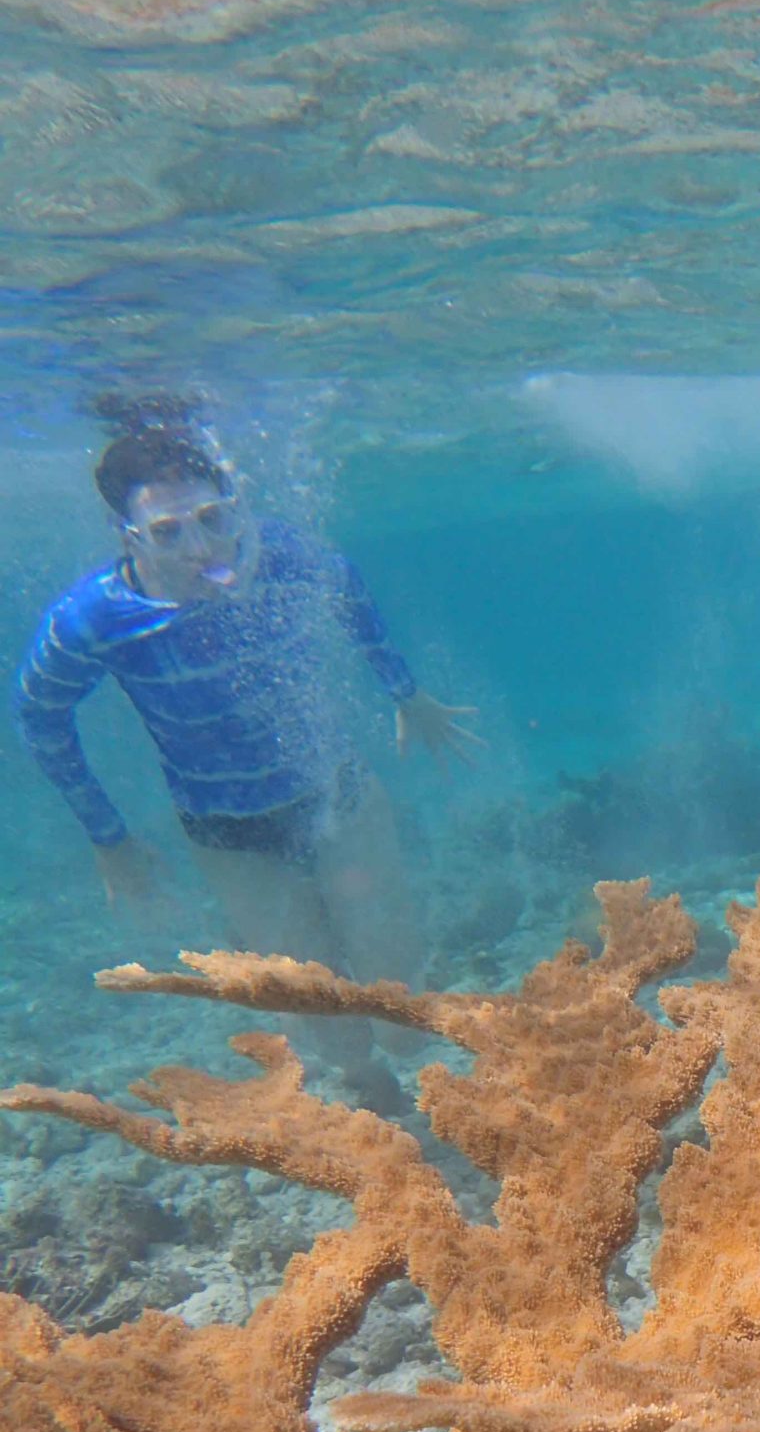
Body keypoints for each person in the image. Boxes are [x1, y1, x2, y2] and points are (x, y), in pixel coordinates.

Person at [12, 401, 479, 1107]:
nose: (203, 550)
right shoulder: (93, 619)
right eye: (167, 532)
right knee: (318, 1009)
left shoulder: (286, 555)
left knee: (399, 999)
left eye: (213, 519)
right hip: (229, 834)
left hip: (339, 797)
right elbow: (38, 714)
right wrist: (108, 838)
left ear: (234, 504)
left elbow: (351, 594)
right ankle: (372, 1094)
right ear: (126, 534)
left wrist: (405, 695)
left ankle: (427, 1077)